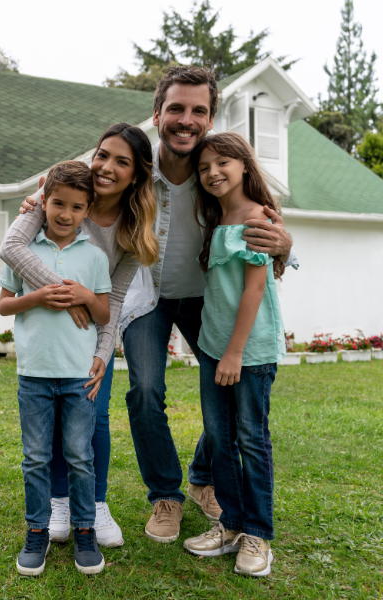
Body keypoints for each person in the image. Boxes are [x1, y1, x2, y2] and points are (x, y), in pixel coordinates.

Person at [15, 65, 297, 544]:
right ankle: (166, 495)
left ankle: (204, 477)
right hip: (147, 302)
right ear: (157, 113)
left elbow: (263, 225)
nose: (186, 119)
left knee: (223, 399)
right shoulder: (136, 170)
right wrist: (38, 202)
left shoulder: (219, 174)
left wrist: (285, 247)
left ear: (210, 118)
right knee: (145, 392)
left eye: (198, 111)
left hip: (208, 303)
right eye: (176, 109)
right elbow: (78, 184)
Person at [0, 123, 159, 547]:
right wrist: (67, 295)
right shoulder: (56, 194)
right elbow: (12, 249)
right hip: (57, 330)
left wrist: (104, 355)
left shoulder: (132, 227)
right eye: (103, 154)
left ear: (137, 174)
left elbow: (117, 299)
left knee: (97, 413)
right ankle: (57, 502)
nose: (105, 166)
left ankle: (96, 503)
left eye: (121, 161)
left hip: (96, 329)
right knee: (49, 423)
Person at [0, 160, 112, 576]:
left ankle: (85, 531)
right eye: (58, 203)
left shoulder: (95, 257)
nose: (66, 214)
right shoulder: (25, 253)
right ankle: (37, 531)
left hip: (79, 375)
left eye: (77, 207)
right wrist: (37, 298)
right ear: (43, 202)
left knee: (80, 456)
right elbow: (4, 304)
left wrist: (83, 294)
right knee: (35, 458)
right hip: (34, 374)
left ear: (87, 210)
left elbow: (103, 314)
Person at [181, 132, 285, 577]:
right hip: (213, 346)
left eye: (222, 163)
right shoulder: (218, 216)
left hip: (248, 352)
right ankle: (230, 524)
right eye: (204, 168)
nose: (212, 173)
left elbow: (255, 289)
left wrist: (235, 353)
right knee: (218, 437)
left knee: (250, 438)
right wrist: (218, 351)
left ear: (244, 164)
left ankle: (257, 534)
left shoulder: (258, 218)